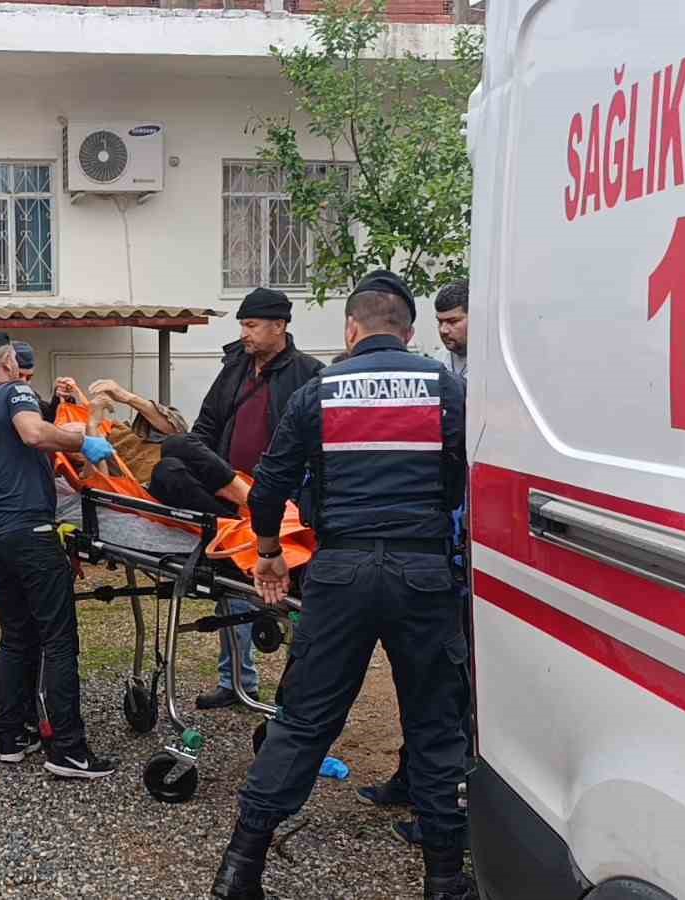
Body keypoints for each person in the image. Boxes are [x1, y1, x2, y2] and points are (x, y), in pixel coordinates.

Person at [209, 271, 474, 900]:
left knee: (303, 721)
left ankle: (240, 868)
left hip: (340, 573)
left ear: (351, 330)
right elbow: (468, 472)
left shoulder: (320, 390)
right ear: (409, 333)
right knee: (437, 725)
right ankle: (443, 879)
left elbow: (269, 485)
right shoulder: (446, 387)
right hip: (423, 573)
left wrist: (269, 553)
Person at [149, 287, 324, 710]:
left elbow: (318, 447)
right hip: (229, 501)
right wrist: (202, 466)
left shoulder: (311, 374)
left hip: (285, 506)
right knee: (170, 458)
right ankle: (234, 681)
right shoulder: (235, 369)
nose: (244, 334)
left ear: (279, 326)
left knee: (298, 605)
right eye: (242, 325)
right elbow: (205, 427)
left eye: (251, 325)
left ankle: (296, 700)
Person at [0, 330, 120, 779]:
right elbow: (32, 433)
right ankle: (67, 750)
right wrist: (81, 442)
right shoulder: (15, 391)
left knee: (16, 638)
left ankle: (13, 734)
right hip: (30, 532)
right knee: (59, 640)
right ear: (9, 361)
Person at [359, 278, 472, 837]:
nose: (446, 331)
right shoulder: (444, 378)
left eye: (455, 321)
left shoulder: (472, 382)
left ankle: (446, 814)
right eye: (441, 322)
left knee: (443, 689)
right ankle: (414, 780)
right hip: (430, 549)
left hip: (452, 551)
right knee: (423, 681)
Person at [435, 279, 468, 379]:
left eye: (452, 321)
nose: (443, 330)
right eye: (440, 322)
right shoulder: (439, 359)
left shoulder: (494, 362)